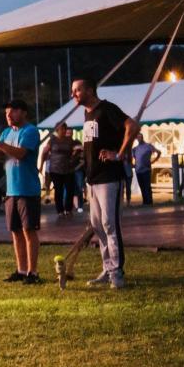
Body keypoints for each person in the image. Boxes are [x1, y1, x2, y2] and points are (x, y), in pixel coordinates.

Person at [72, 78, 137, 288]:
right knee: (98, 226)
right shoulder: (87, 114)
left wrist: (119, 153)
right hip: (92, 178)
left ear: (90, 90)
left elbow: (132, 126)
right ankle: (108, 268)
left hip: (109, 177)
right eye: (73, 91)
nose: (73, 94)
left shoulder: (107, 109)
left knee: (110, 224)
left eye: (77, 90)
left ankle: (117, 272)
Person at [0, 99, 41, 284]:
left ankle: (33, 272)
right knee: (15, 231)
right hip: (11, 190)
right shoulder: (7, 132)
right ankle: (21, 270)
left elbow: (21, 154)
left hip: (28, 189)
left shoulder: (30, 131)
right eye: (7, 112)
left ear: (24, 112)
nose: (8, 115)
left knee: (29, 230)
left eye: (13, 111)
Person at [39, 122, 77, 216]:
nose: (63, 131)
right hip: (55, 169)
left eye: (64, 129)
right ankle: (60, 210)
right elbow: (44, 152)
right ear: (57, 130)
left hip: (68, 169)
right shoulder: (52, 140)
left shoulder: (70, 140)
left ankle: (68, 209)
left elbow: (76, 151)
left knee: (70, 189)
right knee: (58, 190)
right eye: (61, 129)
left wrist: (74, 158)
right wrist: (41, 165)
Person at [130, 133, 161, 206]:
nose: (139, 138)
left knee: (147, 186)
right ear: (136, 139)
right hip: (138, 170)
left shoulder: (148, 146)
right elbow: (130, 157)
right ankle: (145, 202)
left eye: (140, 137)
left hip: (146, 170)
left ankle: (149, 201)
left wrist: (154, 161)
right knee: (142, 187)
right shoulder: (135, 149)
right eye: (138, 137)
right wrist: (132, 165)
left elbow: (159, 152)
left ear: (142, 137)